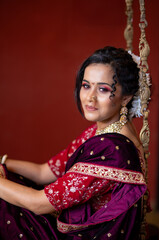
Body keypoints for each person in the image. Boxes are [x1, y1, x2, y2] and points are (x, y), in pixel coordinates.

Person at [0, 46, 147, 240]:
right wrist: (3, 164)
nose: (90, 97)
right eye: (86, 85)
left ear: (126, 98)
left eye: (103, 89)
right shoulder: (102, 130)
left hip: (85, 236)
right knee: (9, 179)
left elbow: (38, 203)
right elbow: (44, 172)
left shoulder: (112, 149)